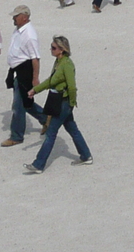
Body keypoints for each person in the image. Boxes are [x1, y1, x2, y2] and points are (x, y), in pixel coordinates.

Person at [24, 34, 93, 172]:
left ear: (62, 50)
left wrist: (72, 103)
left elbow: (72, 86)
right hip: (60, 102)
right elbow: (51, 80)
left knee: (51, 133)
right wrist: (35, 90)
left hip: (63, 103)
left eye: (54, 48)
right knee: (72, 129)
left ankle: (38, 164)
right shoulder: (59, 61)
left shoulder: (66, 64)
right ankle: (86, 156)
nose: (51, 49)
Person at [2, 5, 46, 146]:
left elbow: (35, 58)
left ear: (25, 17)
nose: (14, 18)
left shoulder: (29, 35)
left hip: (25, 72)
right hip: (17, 70)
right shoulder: (19, 30)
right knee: (24, 102)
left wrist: (35, 78)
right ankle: (46, 118)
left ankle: (16, 136)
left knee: (18, 105)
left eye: (16, 16)